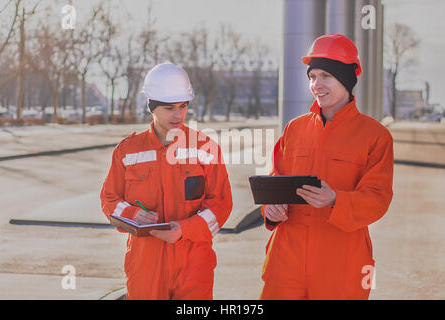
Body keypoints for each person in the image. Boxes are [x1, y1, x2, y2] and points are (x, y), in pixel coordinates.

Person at [259, 34, 394, 300]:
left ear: (346, 79)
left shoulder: (375, 136)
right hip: (287, 258)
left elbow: (378, 197)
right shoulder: (294, 129)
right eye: (312, 76)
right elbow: (275, 179)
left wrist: (336, 199)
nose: (316, 85)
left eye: (325, 77)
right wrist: (271, 210)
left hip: (340, 259)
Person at [100, 62, 232, 300]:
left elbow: (221, 204)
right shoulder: (127, 151)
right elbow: (109, 200)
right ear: (152, 106)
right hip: (146, 264)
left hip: (194, 262)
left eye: (183, 106)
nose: (178, 115)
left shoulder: (205, 148)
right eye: (170, 108)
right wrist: (132, 214)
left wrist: (184, 229)